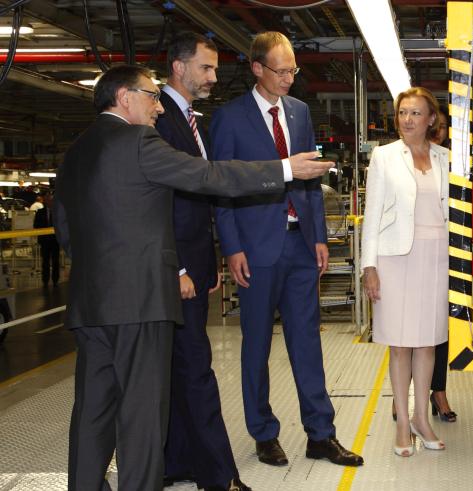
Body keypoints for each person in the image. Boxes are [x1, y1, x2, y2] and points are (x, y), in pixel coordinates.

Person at [54, 64, 331, 491]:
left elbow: (65, 229)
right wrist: (284, 169)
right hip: (142, 304)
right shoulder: (139, 141)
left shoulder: (76, 150)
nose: (158, 109)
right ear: (124, 97)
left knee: (91, 412)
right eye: (150, 96)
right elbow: (208, 175)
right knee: (142, 417)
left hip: (91, 306)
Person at [210, 31, 363, 468]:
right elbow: (222, 190)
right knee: (256, 344)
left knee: (306, 342)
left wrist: (318, 236)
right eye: (282, 71)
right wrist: (232, 247)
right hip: (255, 249)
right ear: (257, 68)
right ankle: (263, 432)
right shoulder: (229, 119)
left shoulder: (298, 114)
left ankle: (321, 433)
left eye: (294, 70)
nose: (290, 79)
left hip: (299, 245)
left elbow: (310, 178)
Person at [154, 33, 248, 491]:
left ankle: (176, 462)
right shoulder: (158, 119)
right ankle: (218, 477)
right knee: (196, 370)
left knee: (177, 367)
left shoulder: (190, 121)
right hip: (175, 269)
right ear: (179, 67)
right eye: (206, 68)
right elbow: (158, 203)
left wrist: (204, 262)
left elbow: (199, 202)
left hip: (192, 265)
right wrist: (178, 268)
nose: (213, 77)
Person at [362, 86, 449, 457]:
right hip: (395, 257)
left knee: (428, 342)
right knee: (400, 344)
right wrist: (369, 266)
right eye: (402, 113)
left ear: (431, 119)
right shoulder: (383, 157)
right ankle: (401, 421)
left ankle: (420, 417)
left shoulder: (447, 157)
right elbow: (373, 214)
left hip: (436, 257)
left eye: (415, 113)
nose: (408, 120)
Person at [427, 111, 456, 423]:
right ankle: (402, 394)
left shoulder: (452, 163)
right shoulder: (405, 159)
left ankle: (438, 392)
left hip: (445, 258)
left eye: (443, 127)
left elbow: (466, 209)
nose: (439, 131)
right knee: (407, 332)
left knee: (440, 331)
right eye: (435, 126)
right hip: (412, 256)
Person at [33, 192, 59, 288]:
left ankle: (55, 280)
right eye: (48, 200)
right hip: (44, 241)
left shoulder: (57, 212)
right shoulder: (40, 212)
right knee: (45, 261)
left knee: (56, 261)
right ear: (45, 201)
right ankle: (45, 280)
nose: (49, 202)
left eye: (51, 200)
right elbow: (36, 226)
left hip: (55, 240)